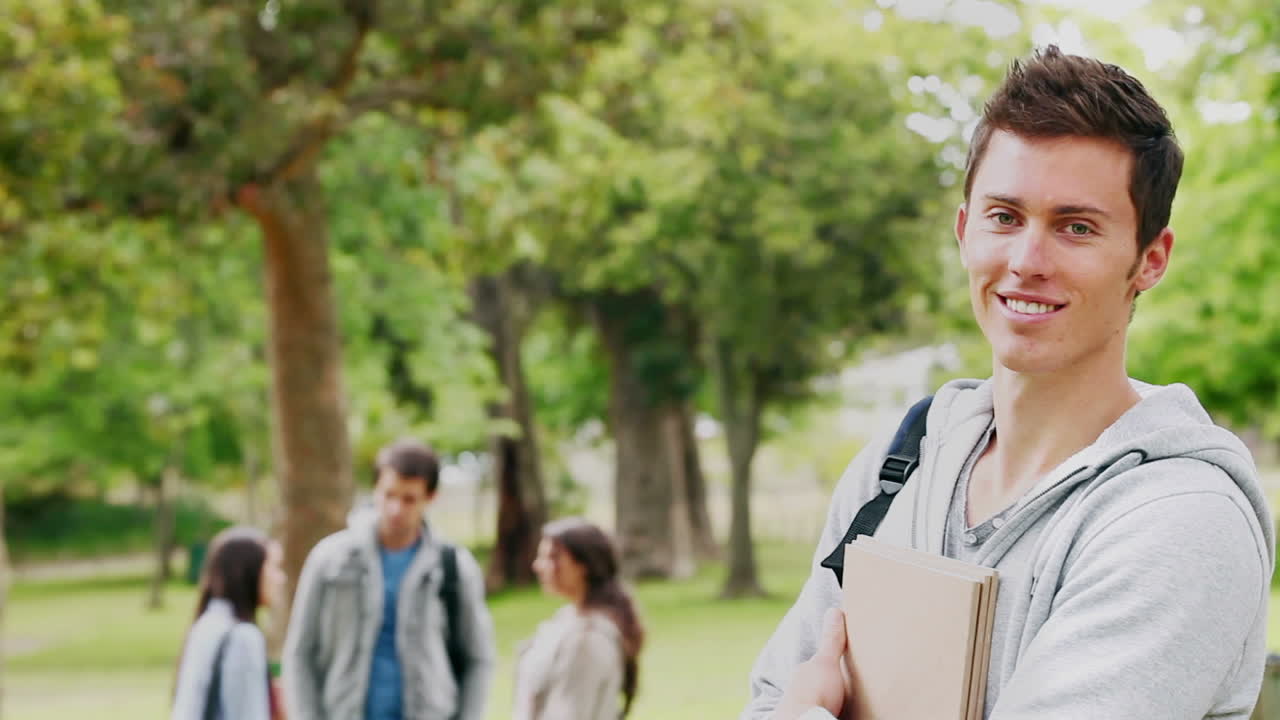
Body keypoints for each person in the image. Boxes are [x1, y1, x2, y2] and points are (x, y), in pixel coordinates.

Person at [744, 45, 1274, 720]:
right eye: (1004, 217)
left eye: (1075, 227)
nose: (1027, 261)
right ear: (965, 231)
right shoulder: (899, 466)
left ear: (1150, 260)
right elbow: (769, 696)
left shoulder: (1178, 522)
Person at [284, 439, 495, 720]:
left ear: (430, 498)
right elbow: (300, 652)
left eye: (409, 499)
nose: (396, 509)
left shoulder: (453, 566)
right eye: (388, 495)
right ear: (375, 490)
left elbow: (478, 658)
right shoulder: (329, 559)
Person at [513, 518, 645, 720]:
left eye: (552, 558)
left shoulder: (586, 640)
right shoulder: (566, 618)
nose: (538, 566)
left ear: (584, 565)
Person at [172, 525, 286, 720]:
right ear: (249, 571)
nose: (280, 578)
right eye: (273, 567)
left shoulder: (207, 623)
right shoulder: (241, 636)